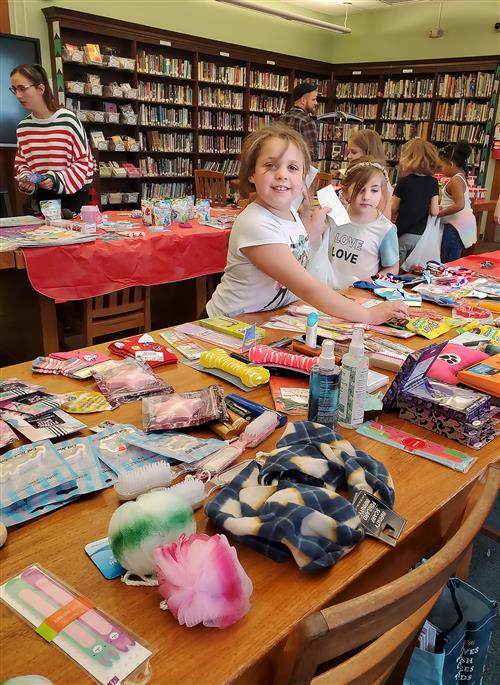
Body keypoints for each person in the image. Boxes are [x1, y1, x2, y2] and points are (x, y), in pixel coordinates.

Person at [206, 125, 407, 324]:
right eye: (270, 165)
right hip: (227, 323)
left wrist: (310, 230)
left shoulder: (289, 212)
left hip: (269, 318)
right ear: (252, 173)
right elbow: (306, 287)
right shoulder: (255, 222)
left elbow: (293, 252)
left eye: (292, 167)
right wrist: (369, 315)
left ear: (304, 176)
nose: (282, 174)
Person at [10, 63, 94, 213]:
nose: (17, 95)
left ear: (41, 89)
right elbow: (22, 163)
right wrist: (26, 181)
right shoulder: (23, 128)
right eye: (14, 89)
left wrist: (55, 179)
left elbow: (84, 163)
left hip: (74, 195)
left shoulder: (68, 120)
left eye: (22, 88)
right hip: (44, 197)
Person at [326, 158, 399, 290]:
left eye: (374, 190)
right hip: (326, 291)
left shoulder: (385, 229)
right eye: (360, 189)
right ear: (345, 190)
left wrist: (373, 282)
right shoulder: (334, 217)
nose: (366, 196)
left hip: (359, 297)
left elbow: (392, 267)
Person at [391, 139, 440, 265]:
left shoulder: (403, 182)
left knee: (396, 269)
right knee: (415, 270)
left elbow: (393, 208)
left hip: (402, 233)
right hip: (421, 236)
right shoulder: (433, 182)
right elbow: (435, 211)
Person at [438, 141, 477, 262]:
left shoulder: (455, 180)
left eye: (441, 166)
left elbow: (460, 204)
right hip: (460, 224)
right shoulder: (461, 175)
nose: (440, 169)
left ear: (450, 164)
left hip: (456, 226)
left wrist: (439, 213)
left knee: (449, 260)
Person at [346, 129, 392, 218]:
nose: (348, 156)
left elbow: (385, 218)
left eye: (354, 152)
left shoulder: (380, 181)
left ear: (368, 153)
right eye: (349, 152)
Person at [278, 82, 319, 165]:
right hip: (299, 169)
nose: (316, 103)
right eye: (313, 99)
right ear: (303, 100)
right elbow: (312, 155)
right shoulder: (307, 122)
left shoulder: (280, 119)